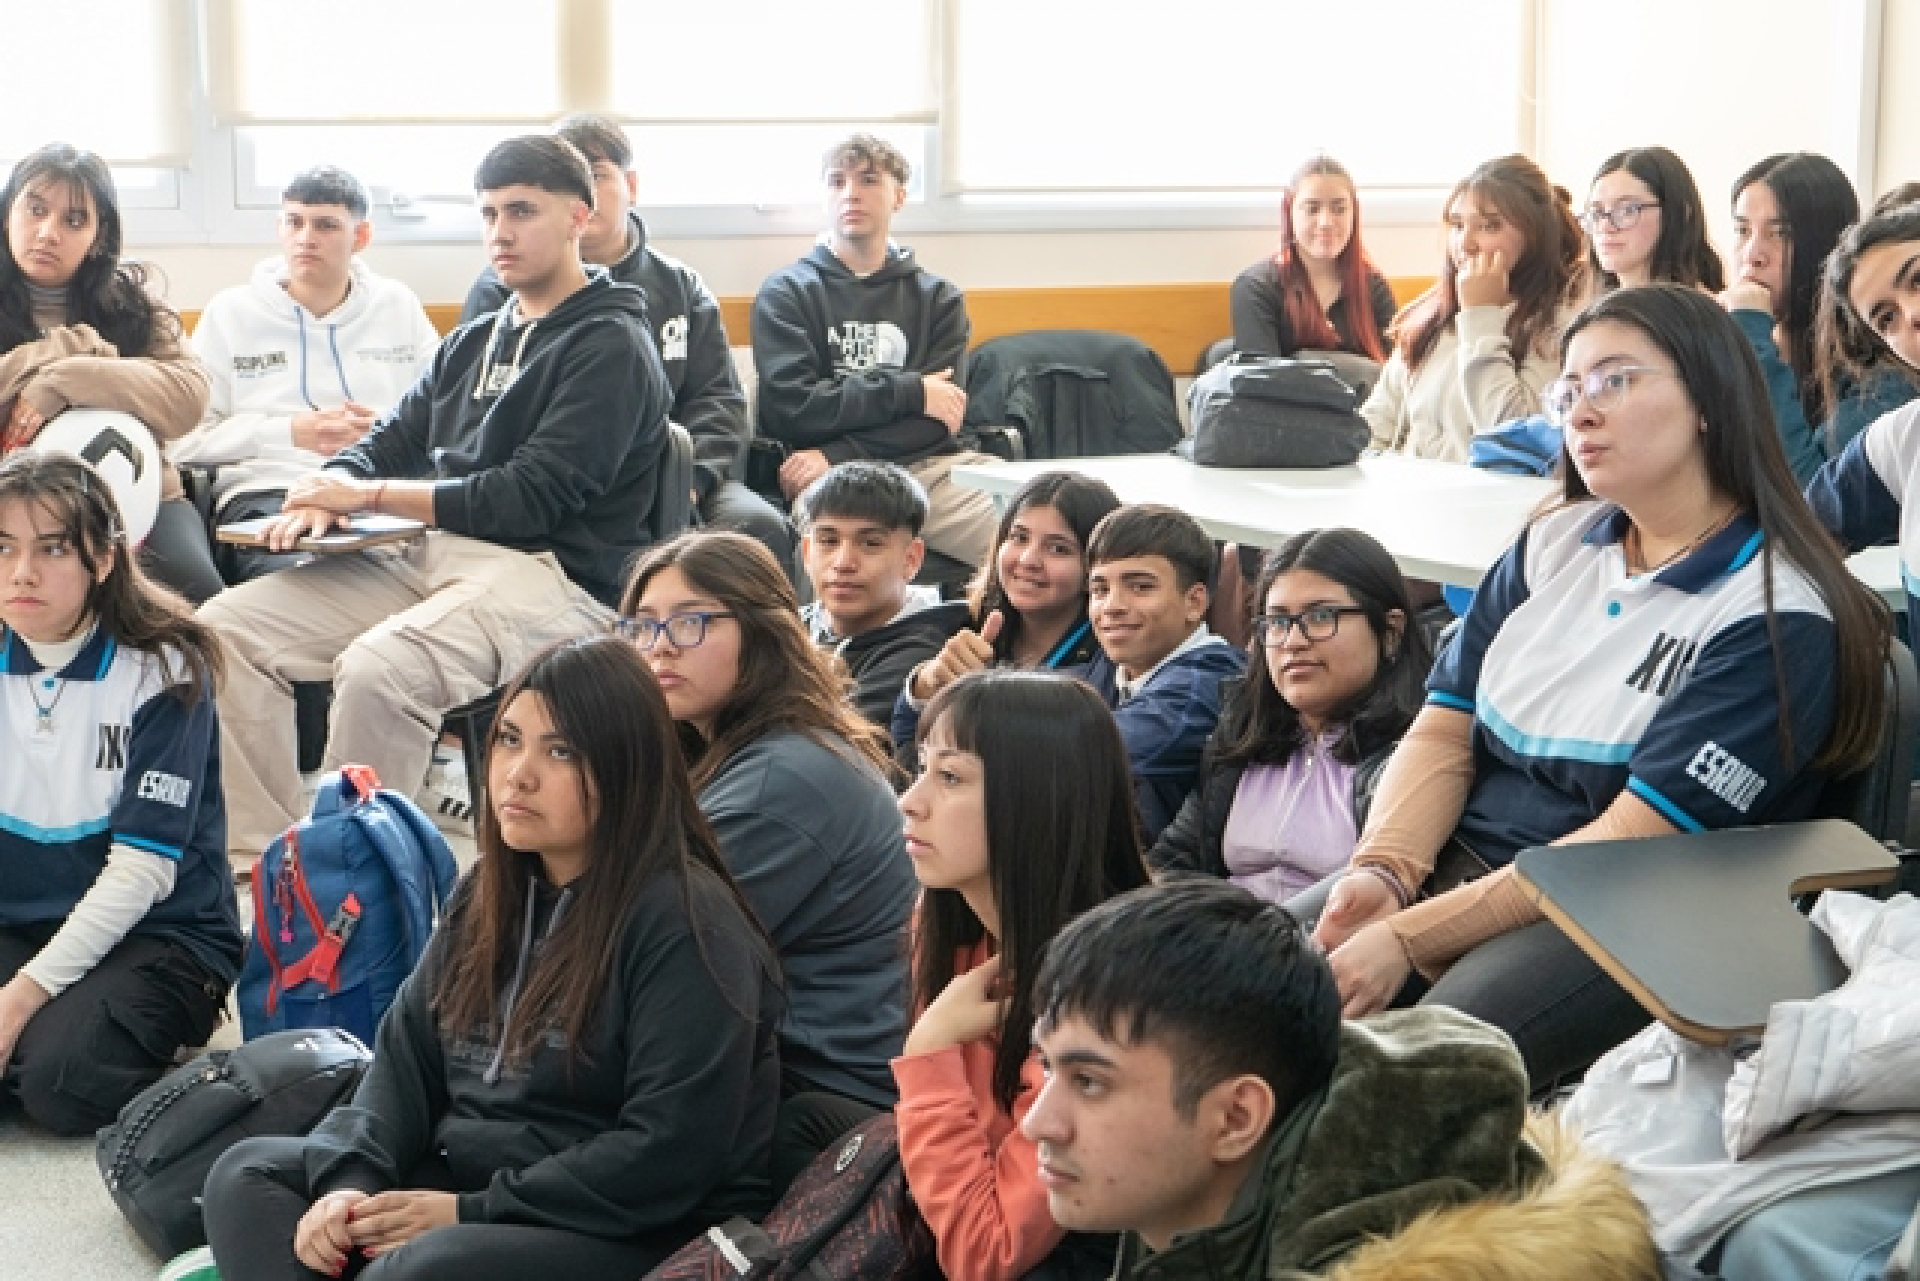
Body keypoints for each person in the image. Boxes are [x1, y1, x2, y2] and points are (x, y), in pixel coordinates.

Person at [1315, 285, 1888, 1086]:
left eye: (1615, 381)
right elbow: (1445, 728)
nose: (1581, 412)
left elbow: (1631, 839)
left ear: (1708, 403)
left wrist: (1412, 937)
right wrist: (1383, 872)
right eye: (1570, 389)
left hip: (1616, 905)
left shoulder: (1776, 612)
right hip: (1463, 861)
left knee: (1383, 1073)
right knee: (1231, 990)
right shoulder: (1554, 540)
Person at [201, 638, 783, 1280]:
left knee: (424, 1268)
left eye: (560, 751)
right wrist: (352, 1182)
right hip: (474, 1181)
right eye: (509, 739)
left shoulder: (688, 922)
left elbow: (669, 1153)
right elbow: (405, 1060)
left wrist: (471, 1212)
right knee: (248, 1175)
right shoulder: (491, 889)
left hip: (633, 1227)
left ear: (626, 768)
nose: (518, 774)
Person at [199, 135, 672, 862]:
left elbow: (528, 498)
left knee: (380, 670)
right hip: (429, 558)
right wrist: (325, 496)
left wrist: (364, 492)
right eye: (488, 214)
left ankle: (351, 890)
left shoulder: (611, 343)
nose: (500, 232)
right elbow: (395, 435)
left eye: (522, 211)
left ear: (581, 216)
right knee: (225, 631)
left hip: (553, 577)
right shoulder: (479, 335)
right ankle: (264, 873)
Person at [1022, 879, 1660, 1279]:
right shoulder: (1193, 1214)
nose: (1038, 1122)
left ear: (1238, 1118)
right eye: (1048, 1066)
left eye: (1091, 1083)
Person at [618, 530, 916, 1182]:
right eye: (642, 625)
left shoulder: (781, 781)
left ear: (763, 633)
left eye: (690, 622)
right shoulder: (723, 745)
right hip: (762, 1060)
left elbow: (647, 956)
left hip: (814, 1093)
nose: (660, 644)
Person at [0, 451, 240, 1134]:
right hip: (22, 918)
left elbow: (141, 872)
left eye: (51, 549)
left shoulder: (164, 664)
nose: (21, 572)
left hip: (159, 932)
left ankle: (144, 1034)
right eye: (4, 547)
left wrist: (19, 999)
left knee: (58, 1082)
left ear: (103, 560)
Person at [896, 670, 1152, 1281]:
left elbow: (987, 1252)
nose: (911, 799)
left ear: (1037, 801)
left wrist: (928, 1050)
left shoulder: (1109, 987)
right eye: (922, 767)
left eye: (950, 776)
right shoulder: (953, 927)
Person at [460, 115, 791, 568]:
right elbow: (480, 412)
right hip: (570, 479)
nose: (588, 197)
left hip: (682, 474)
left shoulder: (680, 287)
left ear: (630, 185)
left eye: (596, 176)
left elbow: (719, 402)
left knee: (760, 528)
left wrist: (689, 482)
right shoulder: (501, 290)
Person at [178, 165, 441, 584]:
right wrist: (288, 433)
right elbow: (182, 442)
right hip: (271, 493)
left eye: (326, 225)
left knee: (427, 588)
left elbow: (449, 412)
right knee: (312, 590)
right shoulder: (229, 313)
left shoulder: (397, 305)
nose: (305, 238)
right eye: (294, 222)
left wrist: (390, 431)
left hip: (382, 491)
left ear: (362, 237)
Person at [751, 133, 999, 569]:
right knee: (849, 567)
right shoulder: (787, 292)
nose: (851, 194)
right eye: (836, 182)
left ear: (899, 195)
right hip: (830, 479)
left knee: (1040, 540)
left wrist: (838, 449)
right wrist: (911, 393)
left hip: (931, 469)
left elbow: (939, 420)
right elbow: (792, 409)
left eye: (868, 180)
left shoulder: (938, 297)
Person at [1149, 529, 1431, 903]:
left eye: (1320, 616)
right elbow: (1176, 859)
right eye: (1278, 622)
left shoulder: (1418, 750)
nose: (1293, 642)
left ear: (1390, 631)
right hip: (1218, 943)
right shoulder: (1243, 729)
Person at [0, 142, 218, 603]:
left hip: (145, 502)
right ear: (7, 215)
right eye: (35, 210)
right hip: (11, 509)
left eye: (73, 220)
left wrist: (65, 379)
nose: (47, 232)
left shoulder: (136, 306)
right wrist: (70, 345)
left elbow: (187, 397)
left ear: (99, 236)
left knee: (201, 602)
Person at [1361, 154, 1585, 463]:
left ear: (1534, 236)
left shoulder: (1560, 325)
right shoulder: (1431, 316)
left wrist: (1480, 317)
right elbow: (1375, 424)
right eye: (1457, 225)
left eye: (1489, 226)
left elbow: (1514, 437)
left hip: (1492, 503)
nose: (1465, 243)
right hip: (1411, 495)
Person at [890, 469, 1121, 758]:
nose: (1028, 560)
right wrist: (925, 687)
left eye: (1058, 548)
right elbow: (905, 749)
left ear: (1096, 566)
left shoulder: (1114, 659)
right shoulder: (959, 626)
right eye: (1019, 538)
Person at [1722, 153, 1908, 483]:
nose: (1752, 255)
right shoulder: (1741, 336)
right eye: (1742, 230)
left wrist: (1751, 337)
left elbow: (1810, 498)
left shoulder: (1883, 374)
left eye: (1779, 233)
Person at [1083, 504, 1247, 844]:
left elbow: (1082, 753)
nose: (1112, 606)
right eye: (1099, 589)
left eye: (1140, 587)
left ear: (1195, 602)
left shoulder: (1206, 684)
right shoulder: (1114, 667)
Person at [1806, 194, 1920, 628]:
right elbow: (1797, 532)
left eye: (1919, 280)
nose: (1910, 316)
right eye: (1885, 318)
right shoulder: (1902, 440)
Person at [796, 460, 968, 729]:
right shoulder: (791, 627)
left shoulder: (924, 653)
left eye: (870, 544)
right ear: (807, 553)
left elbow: (837, 744)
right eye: (828, 541)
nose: (843, 562)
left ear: (911, 559)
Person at [1230, 155, 1395, 361]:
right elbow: (1260, 383)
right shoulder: (1256, 287)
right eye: (1312, 209)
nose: (1325, 222)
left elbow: (1393, 382)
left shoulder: (1374, 287)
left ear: (1354, 213)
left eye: (1339, 209)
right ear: (1289, 212)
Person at [1584, 146, 1725, 294]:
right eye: (1596, 212)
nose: (1605, 226)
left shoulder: (1701, 311)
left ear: (1680, 213)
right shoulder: (1595, 309)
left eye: (1627, 210)